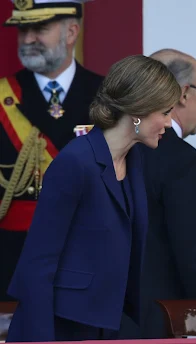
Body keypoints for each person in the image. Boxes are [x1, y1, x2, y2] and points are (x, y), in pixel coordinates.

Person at [5, 55, 181, 342]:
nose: (169, 123)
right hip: (63, 327)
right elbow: (38, 264)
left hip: (109, 324)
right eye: (165, 112)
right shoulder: (75, 162)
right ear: (138, 111)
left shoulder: (135, 160)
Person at [0, 0, 103, 302]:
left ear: (71, 32)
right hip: (12, 256)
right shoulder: (3, 95)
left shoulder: (107, 95)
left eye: (39, 29)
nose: (28, 38)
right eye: (23, 29)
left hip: (87, 250)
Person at [137, 48, 196, 339]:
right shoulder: (185, 162)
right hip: (159, 323)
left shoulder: (104, 147)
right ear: (183, 94)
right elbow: (193, 259)